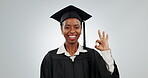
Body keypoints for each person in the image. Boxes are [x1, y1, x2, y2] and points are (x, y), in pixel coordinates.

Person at [40, 5, 119, 78]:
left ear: (81, 29)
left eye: (76, 27)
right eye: (67, 27)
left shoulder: (92, 56)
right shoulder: (51, 58)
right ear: (61, 29)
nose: (72, 31)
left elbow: (109, 76)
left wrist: (106, 52)